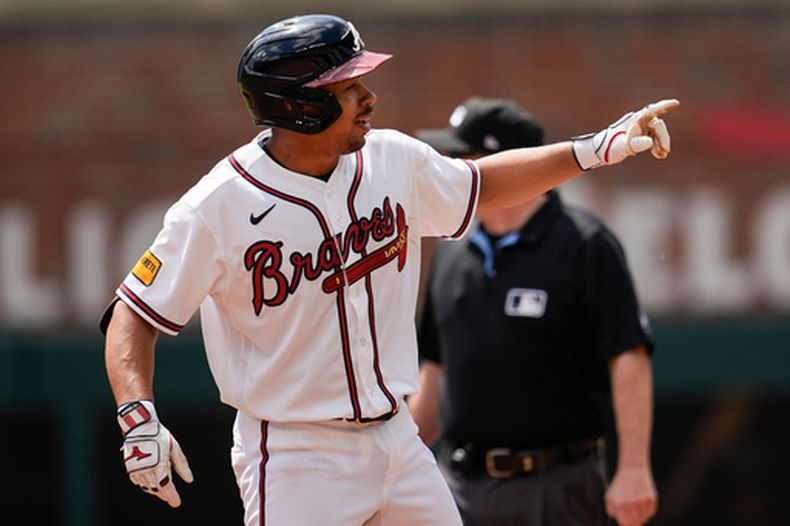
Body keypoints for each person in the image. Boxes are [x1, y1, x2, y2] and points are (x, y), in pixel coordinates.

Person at [101, 14, 677, 526]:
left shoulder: (390, 159)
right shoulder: (216, 206)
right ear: (302, 105)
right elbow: (134, 313)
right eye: (349, 86)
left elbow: (485, 183)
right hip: (299, 455)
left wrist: (599, 148)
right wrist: (137, 415)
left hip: (397, 440)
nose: (369, 96)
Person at [408, 96, 658, 526]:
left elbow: (627, 356)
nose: (449, 169)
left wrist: (634, 467)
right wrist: (389, 465)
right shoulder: (452, 252)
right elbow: (434, 370)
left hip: (556, 484)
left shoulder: (585, 244)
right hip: (460, 486)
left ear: (507, 163)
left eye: (460, 157)